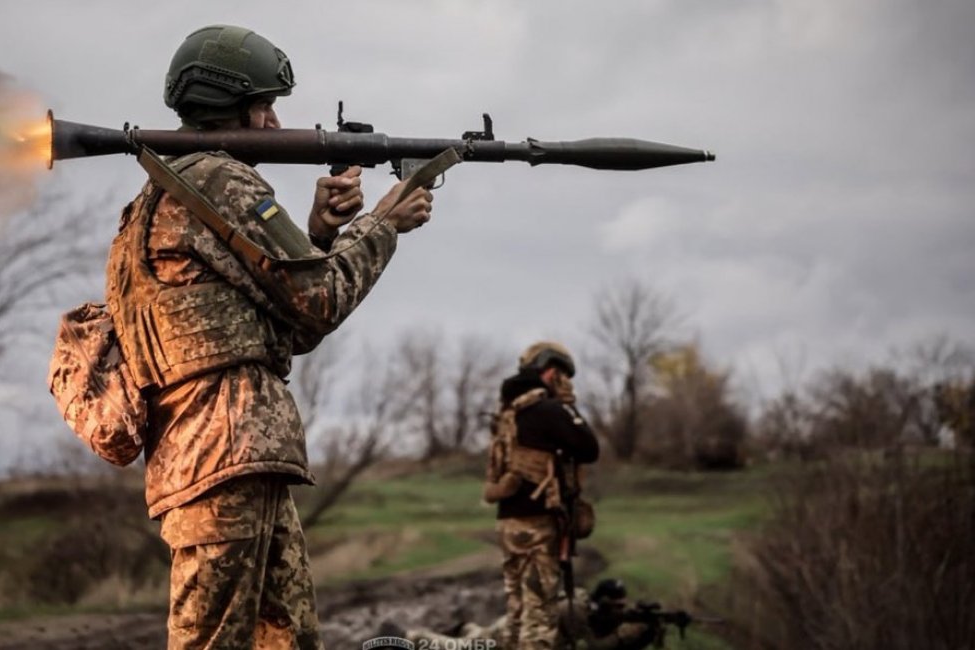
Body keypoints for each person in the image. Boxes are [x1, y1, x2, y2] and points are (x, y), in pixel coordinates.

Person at [104, 24, 435, 650]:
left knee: (286, 638)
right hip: (223, 454)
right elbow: (321, 301)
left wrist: (321, 234)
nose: (276, 122)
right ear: (233, 106)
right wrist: (384, 224)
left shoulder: (161, 196)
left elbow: (281, 325)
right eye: (265, 107)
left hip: (225, 458)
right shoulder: (222, 183)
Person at [482, 341, 600, 649]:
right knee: (540, 617)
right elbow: (589, 448)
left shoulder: (508, 412)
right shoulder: (549, 410)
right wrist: (568, 405)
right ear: (550, 372)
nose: (566, 383)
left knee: (517, 612)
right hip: (539, 525)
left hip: (508, 523)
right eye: (564, 376)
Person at [399, 579, 661, 649]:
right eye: (616, 606)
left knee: (475, 637)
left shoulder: (592, 610)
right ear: (601, 602)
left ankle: (468, 627)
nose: (620, 611)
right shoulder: (574, 610)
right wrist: (625, 635)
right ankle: (413, 637)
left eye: (623, 607)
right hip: (510, 639)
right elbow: (588, 647)